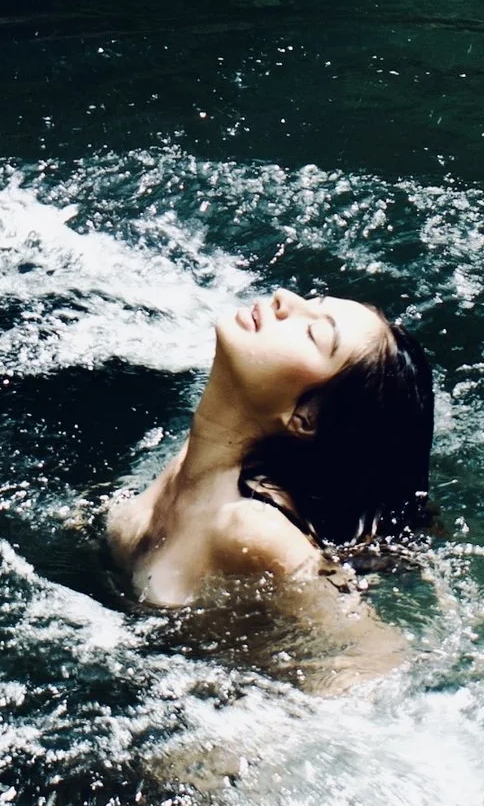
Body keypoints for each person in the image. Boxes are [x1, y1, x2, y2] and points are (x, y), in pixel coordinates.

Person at [105, 288, 436, 689]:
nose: (284, 298)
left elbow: (378, 657)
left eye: (315, 335)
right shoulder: (188, 461)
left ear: (305, 417)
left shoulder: (251, 529)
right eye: (312, 302)